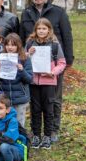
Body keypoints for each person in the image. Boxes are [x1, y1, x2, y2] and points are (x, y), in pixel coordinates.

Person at [20, 0, 74, 142]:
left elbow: (67, 35)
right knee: (35, 100)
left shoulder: (58, 12)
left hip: (53, 64)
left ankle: (53, 130)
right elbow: (22, 36)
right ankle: (36, 131)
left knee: (54, 98)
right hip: (33, 67)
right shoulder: (26, 13)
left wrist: (68, 59)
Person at [26, 18, 66, 149]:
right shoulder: (30, 43)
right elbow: (23, 60)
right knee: (35, 109)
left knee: (48, 109)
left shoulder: (54, 44)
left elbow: (62, 63)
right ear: (35, 30)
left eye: (44, 28)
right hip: (33, 82)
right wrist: (28, 53)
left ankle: (47, 135)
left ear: (49, 30)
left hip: (49, 82)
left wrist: (53, 72)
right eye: (39, 29)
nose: (41, 31)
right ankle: (36, 135)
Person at [0, 33, 33, 127]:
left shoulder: (25, 59)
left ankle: (20, 140)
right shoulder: (1, 57)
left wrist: (22, 70)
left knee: (19, 124)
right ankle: (7, 141)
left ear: (18, 45)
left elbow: (30, 79)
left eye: (13, 45)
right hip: (5, 99)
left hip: (20, 98)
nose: (10, 47)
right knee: (6, 124)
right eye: (7, 45)